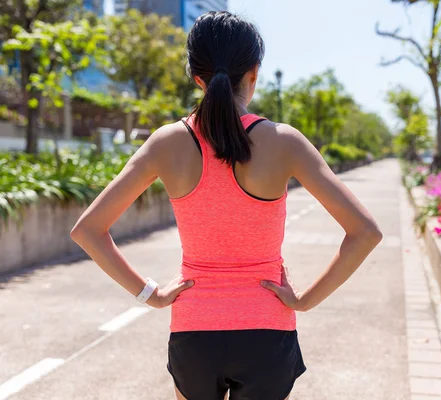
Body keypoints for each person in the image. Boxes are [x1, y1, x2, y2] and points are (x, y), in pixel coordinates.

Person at [70, 11, 382, 400]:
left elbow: (87, 230)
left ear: (197, 76)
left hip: (193, 333)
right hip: (268, 333)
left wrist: (151, 294)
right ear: (253, 73)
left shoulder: (166, 143)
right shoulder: (285, 142)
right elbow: (366, 232)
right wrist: (304, 300)